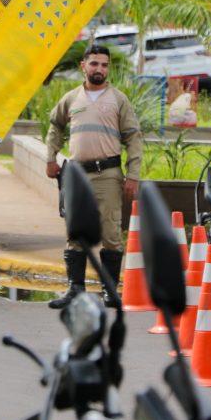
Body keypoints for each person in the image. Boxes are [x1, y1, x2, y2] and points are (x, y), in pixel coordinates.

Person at [44, 44, 142, 309]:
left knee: (111, 232)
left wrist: (133, 175)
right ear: (83, 66)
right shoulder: (71, 98)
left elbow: (133, 137)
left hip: (107, 174)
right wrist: (51, 157)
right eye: (94, 64)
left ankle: (110, 292)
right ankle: (75, 289)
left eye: (104, 64)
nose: (100, 69)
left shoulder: (118, 100)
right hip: (75, 175)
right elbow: (55, 126)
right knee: (74, 233)